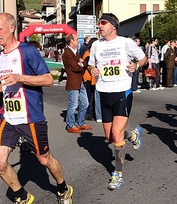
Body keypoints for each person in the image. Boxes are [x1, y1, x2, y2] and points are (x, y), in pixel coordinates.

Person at [0, 12, 73, 204]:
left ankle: (63, 189)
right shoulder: (1, 56)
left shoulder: (28, 51)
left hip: (30, 117)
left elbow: (49, 80)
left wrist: (19, 77)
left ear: (12, 28)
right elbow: (8, 83)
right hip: (10, 117)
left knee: (44, 159)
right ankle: (21, 196)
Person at [88, 13, 148, 190]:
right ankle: (133, 135)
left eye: (103, 23)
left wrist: (136, 66)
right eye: (98, 23)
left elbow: (143, 58)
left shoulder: (125, 42)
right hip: (103, 93)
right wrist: (92, 70)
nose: (99, 26)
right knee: (110, 136)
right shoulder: (96, 45)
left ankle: (118, 174)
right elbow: (91, 64)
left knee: (116, 132)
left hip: (122, 91)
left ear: (113, 26)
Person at [62, 33, 92, 133]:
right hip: (73, 81)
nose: (78, 41)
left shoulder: (76, 52)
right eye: (76, 39)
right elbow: (75, 67)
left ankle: (80, 123)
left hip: (80, 81)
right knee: (73, 104)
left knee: (85, 103)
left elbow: (84, 63)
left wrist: (81, 63)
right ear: (71, 41)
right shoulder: (67, 53)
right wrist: (81, 63)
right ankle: (70, 125)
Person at [82, 37, 101, 121]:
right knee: (90, 97)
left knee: (92, 97)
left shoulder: (89, 53)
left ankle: (91, 113)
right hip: (88, 78)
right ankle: (89, 113)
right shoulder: (88, 54)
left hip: (91, 78)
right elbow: (89, 66)